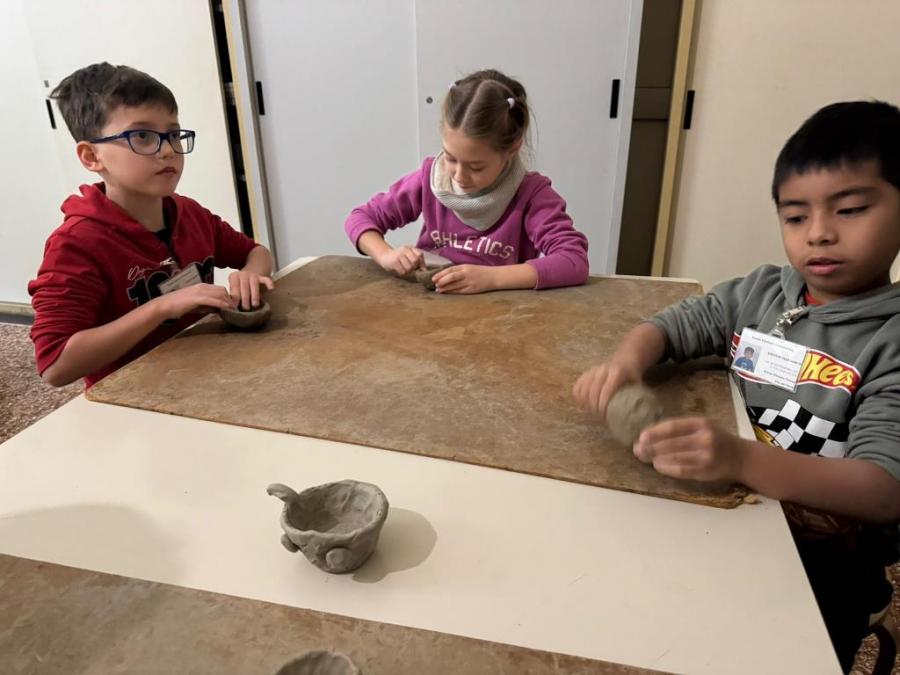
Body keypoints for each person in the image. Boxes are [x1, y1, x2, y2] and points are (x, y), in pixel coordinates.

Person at [573, 100, 900, 671]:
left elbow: (882, 488)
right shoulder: (764, 293)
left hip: (820, 567)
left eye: (849, 210)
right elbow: (680, 322)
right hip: (725, 523)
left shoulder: (890, 340)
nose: (819, 234)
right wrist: (626, 363)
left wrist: (740, 459)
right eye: (795, 217)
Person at [29, 63, 274, 387]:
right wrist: (161, 307)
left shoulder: (190, 213)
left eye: (173, 134)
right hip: (131, 397)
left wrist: (251, 274)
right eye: (142, 136)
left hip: (206, 373)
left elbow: (256, 252)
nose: (168, 150)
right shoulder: (76, 244)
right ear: (91, 156)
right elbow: (55, 365)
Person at [344, 69, 589, 294]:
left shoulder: (531, 195)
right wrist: (386, 255)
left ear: (512, 149)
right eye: (450, 158)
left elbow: (573, 260)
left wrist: (492, 279)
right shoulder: (430, 179)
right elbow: (360, 218)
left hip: (501, 313)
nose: (459, 176)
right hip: (429, 311)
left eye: (476, 167)